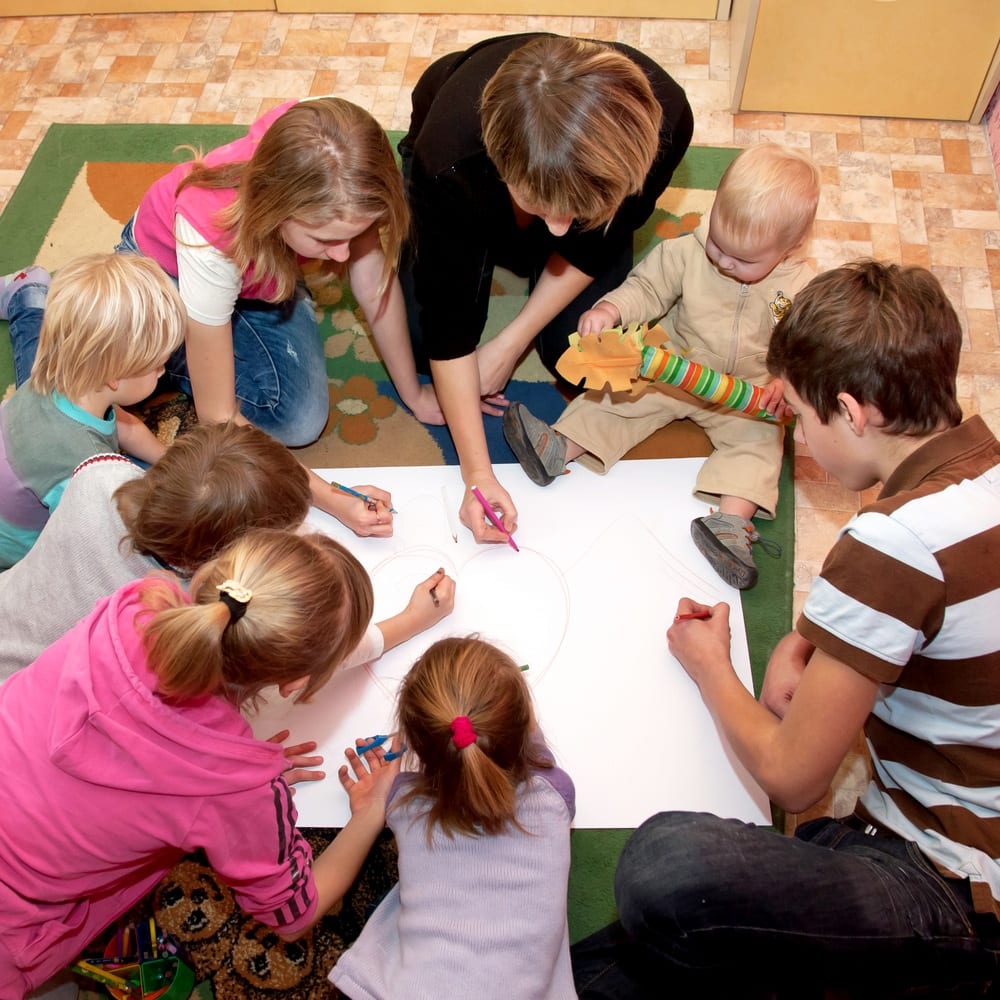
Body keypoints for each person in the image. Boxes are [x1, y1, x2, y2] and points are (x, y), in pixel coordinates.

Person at [571, 261, 1000, 998]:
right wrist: (806, 639)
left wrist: (712, 667)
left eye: (800, 416)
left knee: (666, 866)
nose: (799, 436)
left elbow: (792, 776)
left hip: (947, 888)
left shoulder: (888, 545)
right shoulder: (976, 471)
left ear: (852, 412)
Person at [0, 527, 410, 996]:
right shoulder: (238, 790)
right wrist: (370, 811)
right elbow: (294, 914)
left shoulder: (136, 603)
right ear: (297, 683)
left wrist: (230, 773)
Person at [398, 33, 693, 544]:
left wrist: (511, 342)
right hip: (458, 171)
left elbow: (591, 243)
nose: (557, 231)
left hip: (554, 179)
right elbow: (450, 323)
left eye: (574, 213)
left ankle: (551, 209)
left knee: (574, 355)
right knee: (425, 344)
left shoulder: (663, 120)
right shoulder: (448, 158)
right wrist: (479, 476)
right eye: (542, 208)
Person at [117, 96, 442, 537]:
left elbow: (372, 286)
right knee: (138, 373)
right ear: (277, 209)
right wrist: (330, 497)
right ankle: (36, 299)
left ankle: (243, 308)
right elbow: (218, 417)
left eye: (355, 235)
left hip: (262, 271)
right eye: (326, 239)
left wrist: (415, 394)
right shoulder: (211, 238)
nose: (342, 258)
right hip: (169, 274)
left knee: (302, 417)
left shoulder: (335, 150)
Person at [503, 143, 820, 589]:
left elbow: (807, 346)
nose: (724, 262)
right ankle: (560, 446)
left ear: (791, 247)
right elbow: (648, 288)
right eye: (718, 243)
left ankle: (729, 524)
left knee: (761, 445)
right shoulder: (689, 252)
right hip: (673, 368)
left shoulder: (800, 289)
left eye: (744, 260)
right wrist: (611, 310)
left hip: (744, 395)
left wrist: (782, 381)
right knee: (617, 397)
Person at [0, 421, 455, 683]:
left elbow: (232, 469)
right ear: (227, 565)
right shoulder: (191, 616)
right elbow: (297, 657)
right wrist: (411, 621)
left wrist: (331, 499)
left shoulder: (100, 473)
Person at [330, 636, 577, 999]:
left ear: (417, 747)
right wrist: (516, 709)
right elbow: (533, 752)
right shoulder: (553, 795)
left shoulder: (402, 804)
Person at [0, 253, 185, 569]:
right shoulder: (80, 469)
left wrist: (171, 459)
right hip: (21, 555)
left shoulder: (66, 369)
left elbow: (124, 426)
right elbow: (98, 544)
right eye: (157, 364)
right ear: (114, 375)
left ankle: (29, 295)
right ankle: (27, 296)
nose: (163, 370)